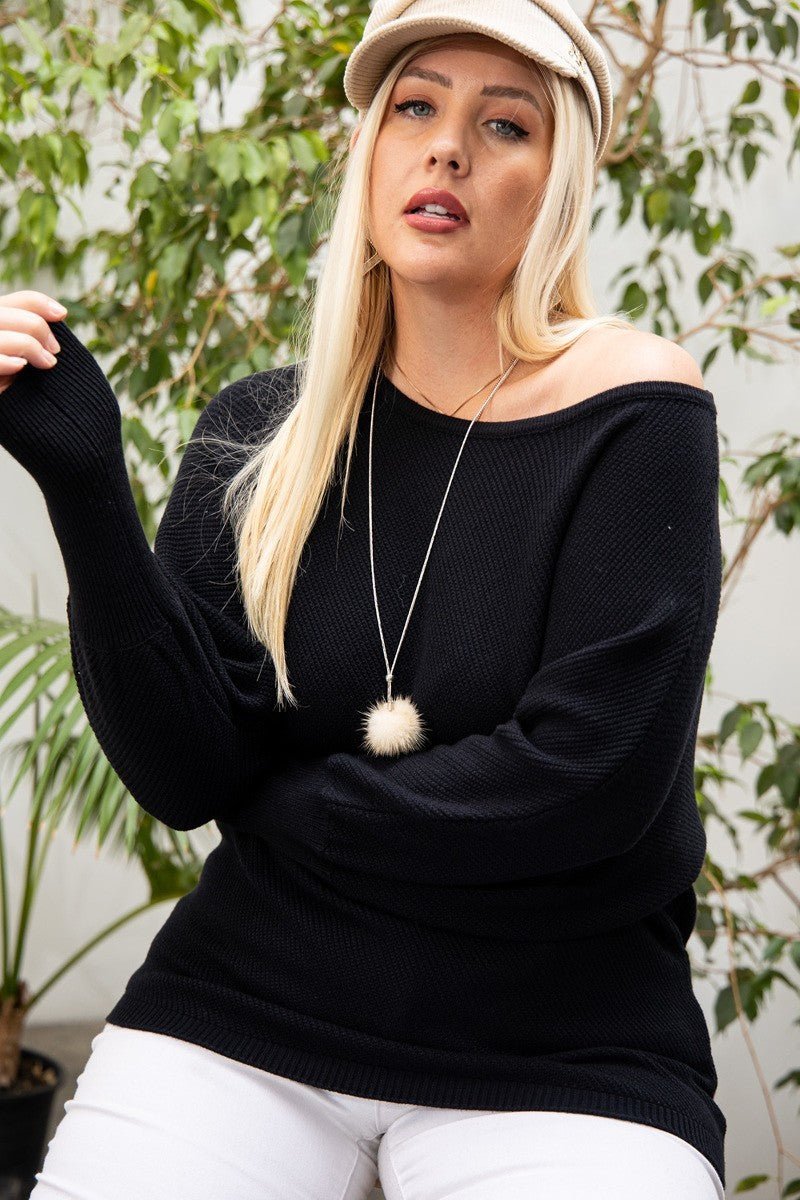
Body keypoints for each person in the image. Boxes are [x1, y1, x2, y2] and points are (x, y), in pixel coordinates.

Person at [0, 1, 727, 1197]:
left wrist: (279, 807)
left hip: (562, 1041)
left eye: (504, 124)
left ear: (559, 181)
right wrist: (85, 489)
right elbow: (185, 773)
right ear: (369, 150)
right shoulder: (261, 430)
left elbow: (583, 782)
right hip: (250, 1002)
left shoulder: (634, 407)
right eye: (415, 106)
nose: (446, 147)